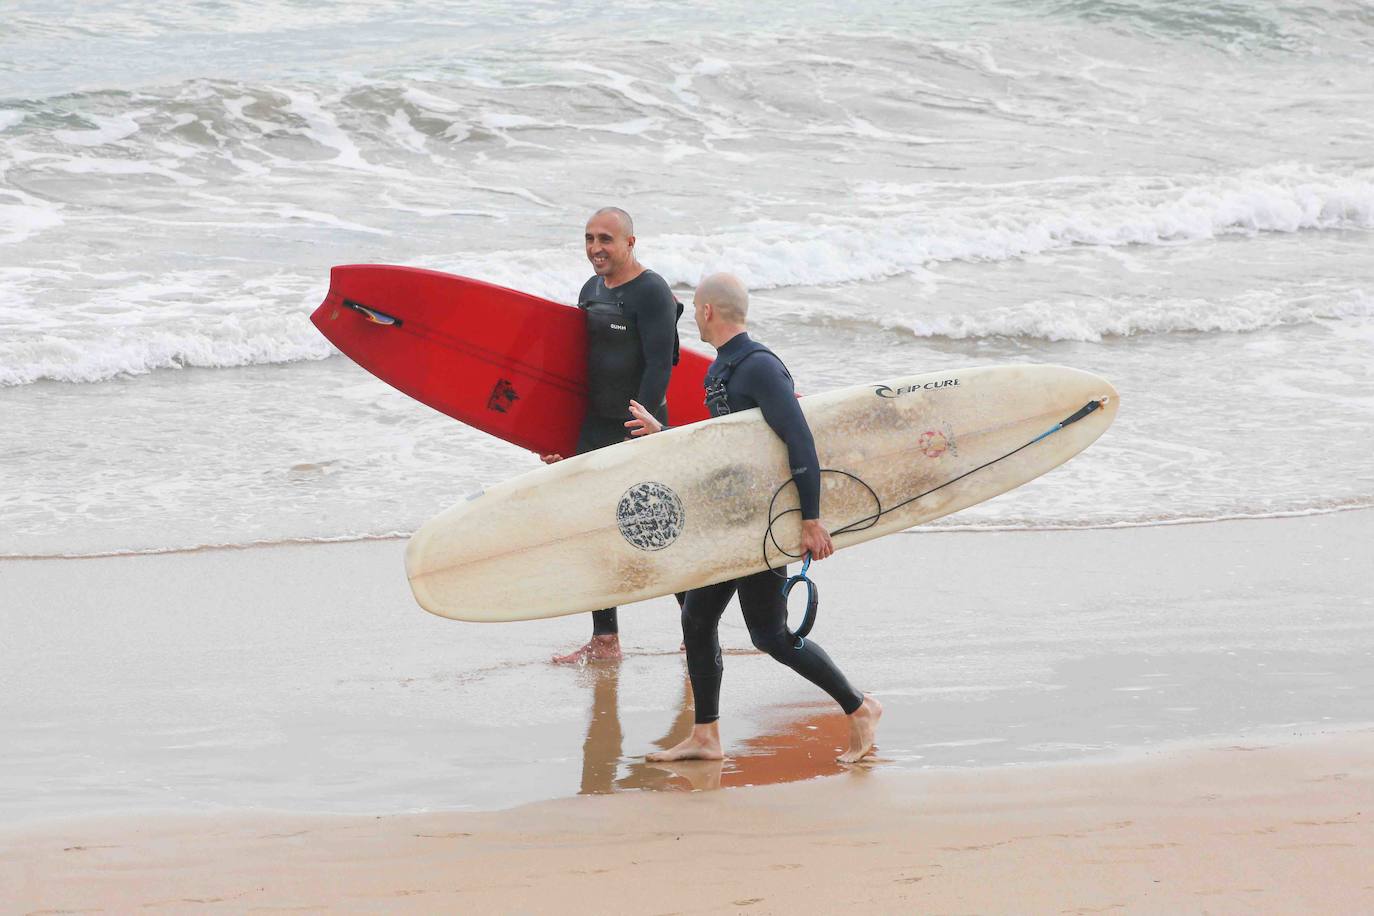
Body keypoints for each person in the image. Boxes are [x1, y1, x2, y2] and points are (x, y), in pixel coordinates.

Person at [625, 272, 882, 764]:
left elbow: (799, 438)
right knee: (698, 619)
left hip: (762, 527)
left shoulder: (759, 366)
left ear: (707, 312)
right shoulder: (724, 367)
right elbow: (728, 448)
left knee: (770, 636)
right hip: (737, 524)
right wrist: (665, 433)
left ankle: (860, 706)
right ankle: (706, 736)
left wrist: (811, 519)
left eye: (693, 311)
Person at [542, 207, 681, 665]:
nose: (596, 248)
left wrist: (641, 426)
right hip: (594, 424)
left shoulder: (653, 291)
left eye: (606, 239)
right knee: (592, 531)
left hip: (637, 425)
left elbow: (662, 363)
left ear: (630, 243)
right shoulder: (590, 289)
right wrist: (561, 433)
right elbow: (578, 364)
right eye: (589, 238)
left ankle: (697, 630)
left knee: (655, 533)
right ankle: (605, 639)